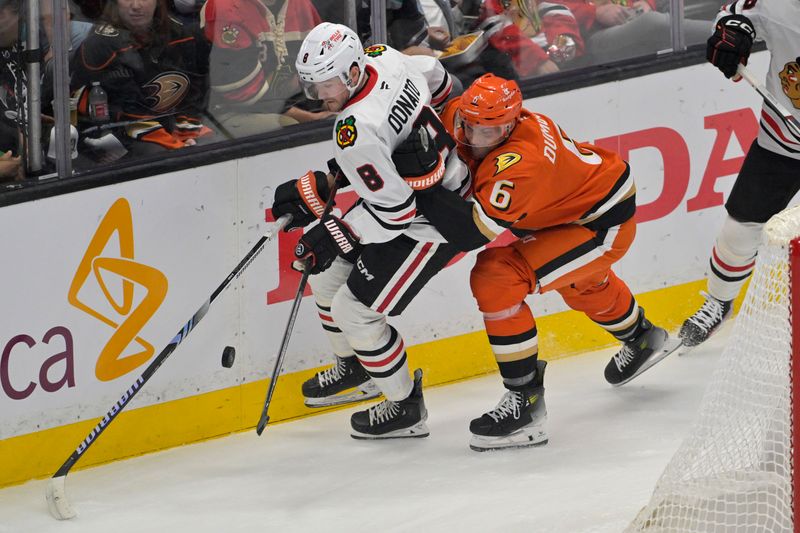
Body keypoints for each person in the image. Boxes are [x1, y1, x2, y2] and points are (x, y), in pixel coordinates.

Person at [415, 73, 678, 451]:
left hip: (601, 225)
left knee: (496, 277)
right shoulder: (467, 113)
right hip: (573, 209)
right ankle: (643, 338)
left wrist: (422, 188)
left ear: (511, 124)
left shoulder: (524, 161)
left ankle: (526, 404)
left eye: (488, 133)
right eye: (469, 126)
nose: (474, 138)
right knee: (583, 285)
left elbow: (474, 233)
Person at [270, 22, 469, 439]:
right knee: (325, 279)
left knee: (353, 310)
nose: (320, 96)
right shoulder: (385, 58)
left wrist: (335, 232)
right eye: (314, 85)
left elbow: (395, 213)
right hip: (423, 192)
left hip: (438, 218)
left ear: (351, 72)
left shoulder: (355, 131)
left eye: (327, 84)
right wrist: (329, 183)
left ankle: (404, 406)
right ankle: (358, 368)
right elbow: (441, 80)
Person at [679, 0, 800, 347]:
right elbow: (735, 13)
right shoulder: (780, 4)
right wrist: (732, 34)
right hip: (782, 143)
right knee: (738, 231)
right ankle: (718, 302)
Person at [70, 0, 212, 157]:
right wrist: (177, 146)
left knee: (212, 143)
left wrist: (187, 134)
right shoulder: (101, 45)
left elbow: (195, 92)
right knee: (162, 157)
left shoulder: (181, 34)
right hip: (108, 130)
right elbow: (128, 113)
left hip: (163, 123)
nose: (136, 5)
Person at [200, 0, 334, 138]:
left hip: (291, 102)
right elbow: (243, 95)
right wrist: (311, 118)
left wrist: (330, 101)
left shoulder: (302, 5)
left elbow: (325, 65)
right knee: (290, 128)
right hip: (230, 112)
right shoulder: (225, 8)